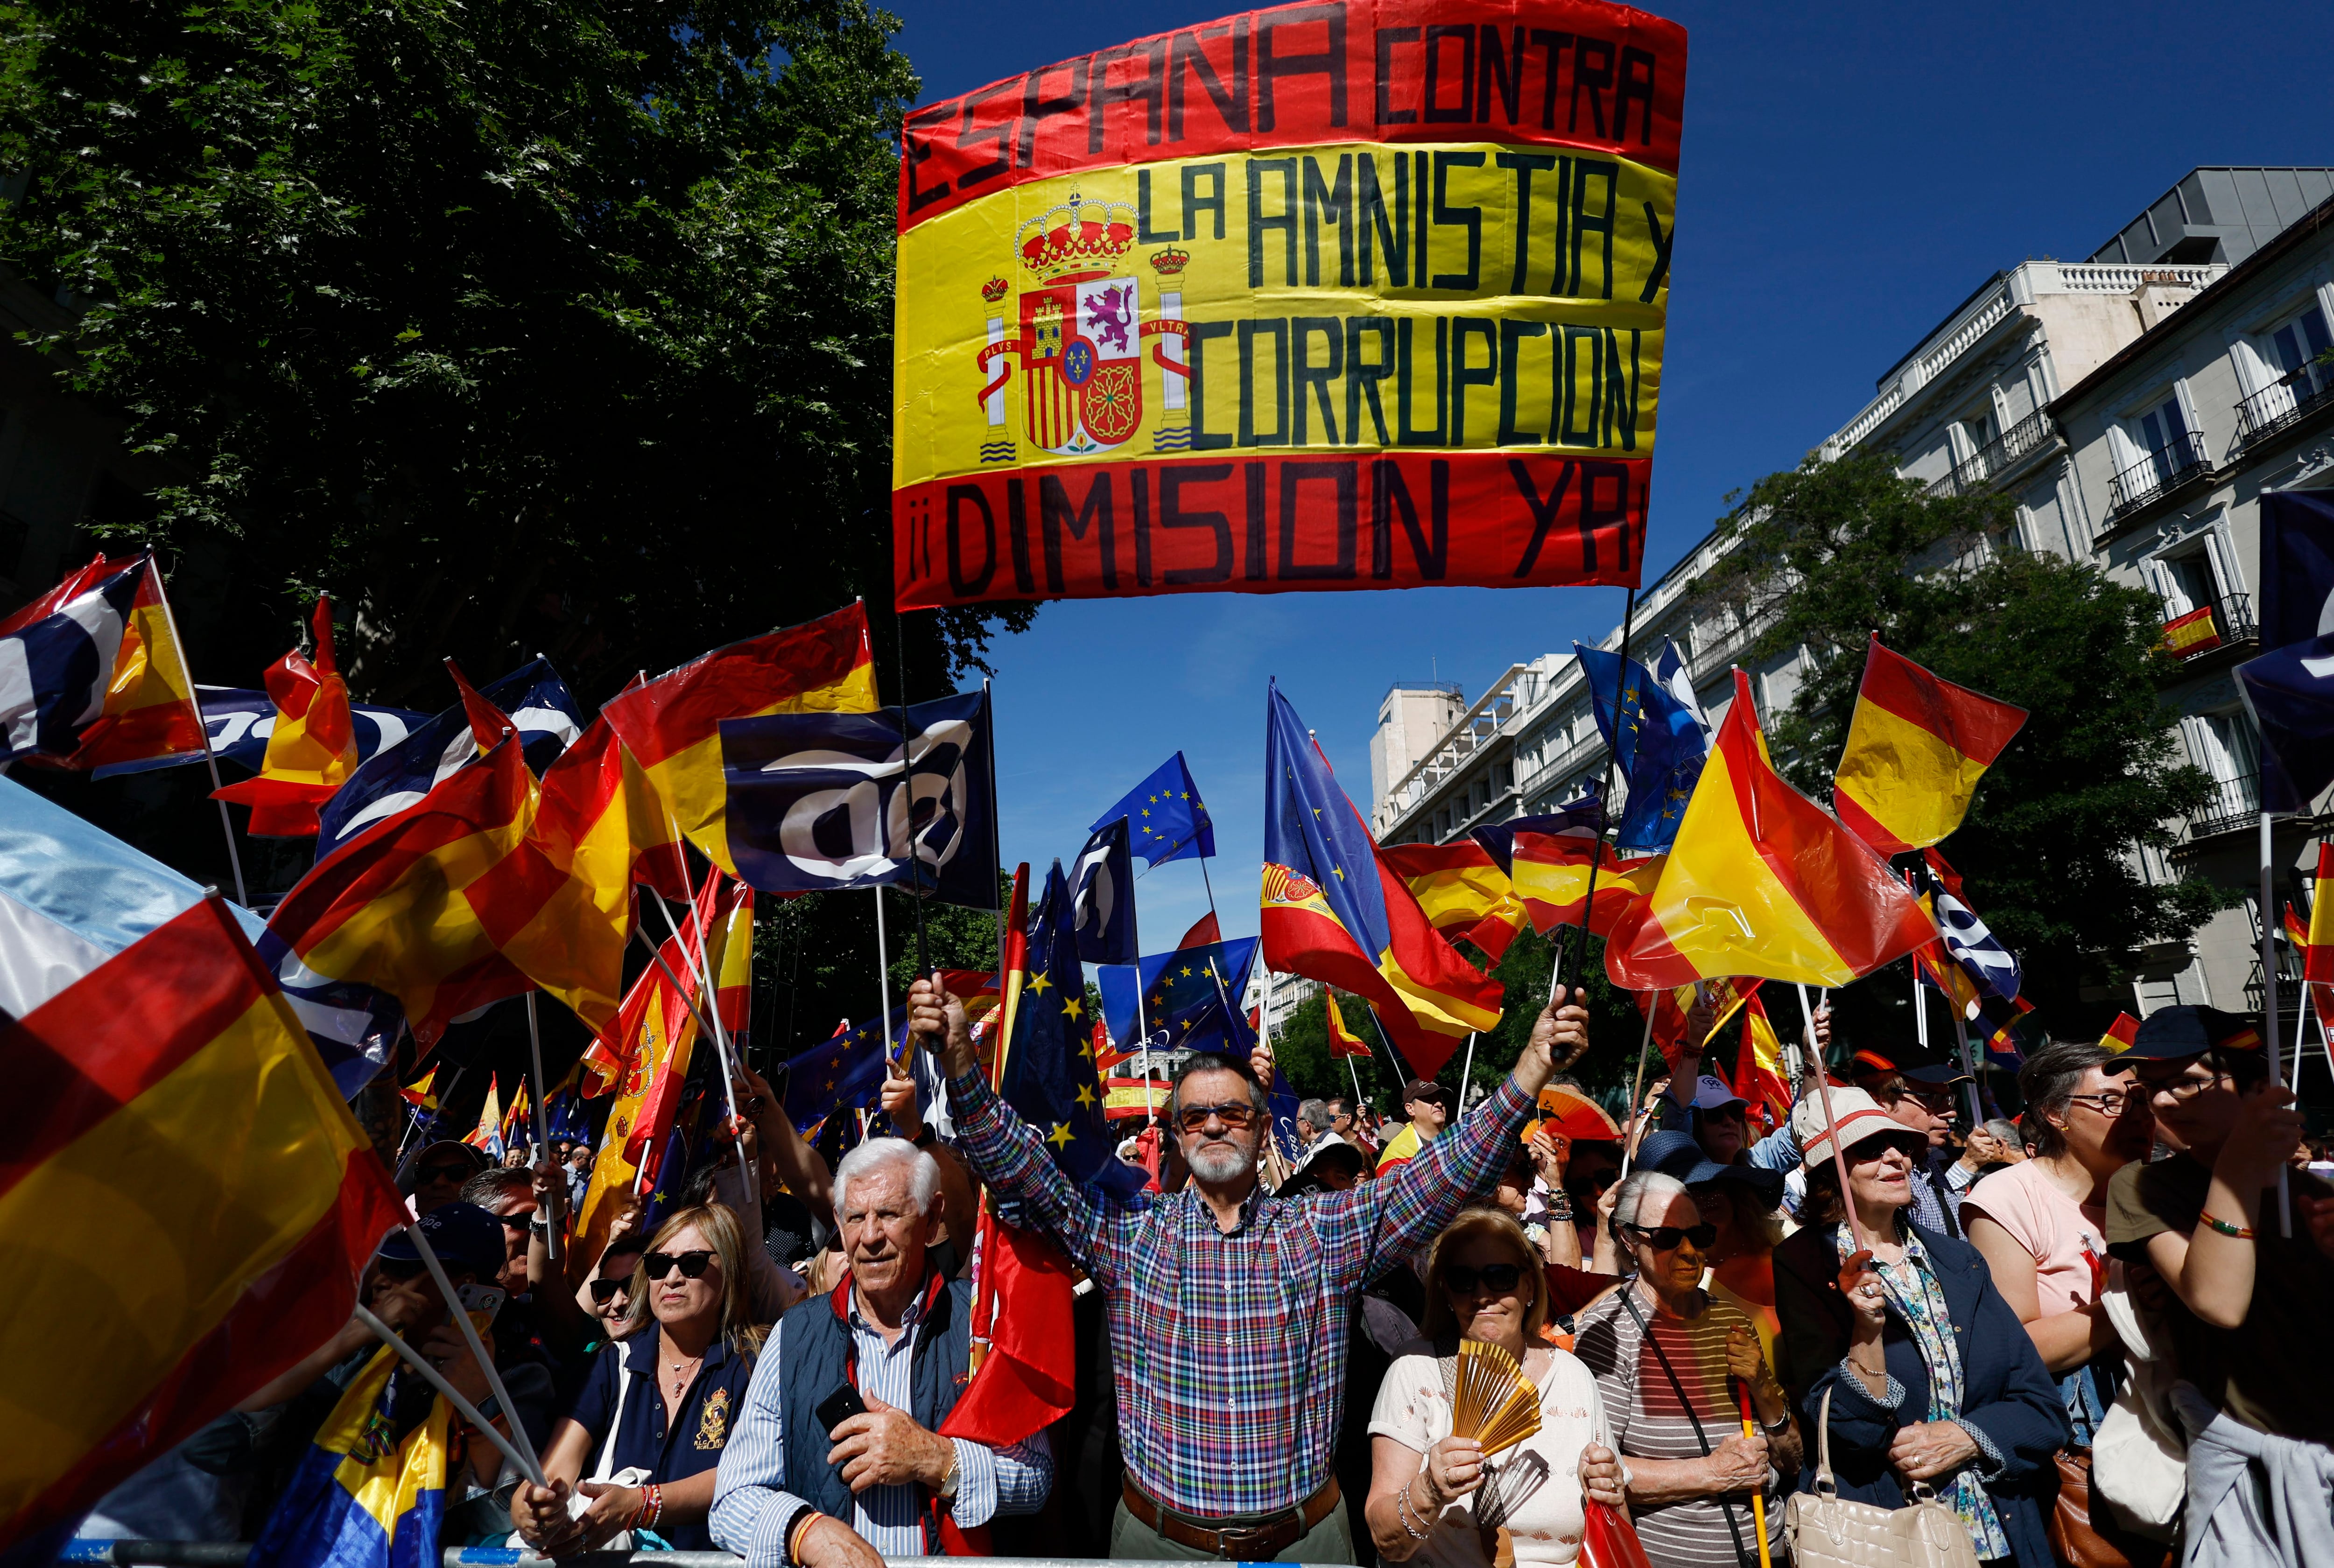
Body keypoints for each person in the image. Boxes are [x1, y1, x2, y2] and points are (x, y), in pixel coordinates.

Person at [911, 973, 1590, 1561]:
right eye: (1196, 1115)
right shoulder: (1131, 1234)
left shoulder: (1323, 1232)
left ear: (1263, 1129)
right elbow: (1028, 1177)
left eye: (1232, 1113)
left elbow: (1437, 1180)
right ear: (1175, 1134)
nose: (1213, 1126)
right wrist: (964, 1065)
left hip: (1306, 1543)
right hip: (1160, 1543)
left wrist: (1531, 1069)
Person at [710, 1137, 1052, 1566]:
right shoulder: (794, 1336)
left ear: (932, 1220)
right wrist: (805, 1532)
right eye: (855, 1218)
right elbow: (731, 1500)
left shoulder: (980, 1329)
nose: (869, 1236)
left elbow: (1036, 1476)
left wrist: (935, 1459)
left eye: (889, 1214)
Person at [1773, 1087, 2067, 1568]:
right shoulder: (1804, 1262)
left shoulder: (1959, 1258)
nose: (1895, 1158)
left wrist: (1966, 1436)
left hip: (2000, 1533)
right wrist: (1865, 1331)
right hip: (1889, 1533)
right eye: (1870, 1149)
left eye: (1901, 1147)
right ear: (1832, 1172)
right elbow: (1846, 1430)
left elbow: (2041, 1409)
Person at [2102, 1006, 2334, 1450]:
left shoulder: (2316, 1192)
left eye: (2189, 1083)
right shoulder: (2143, 1186)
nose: (2164, 1102)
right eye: (2151, 1088)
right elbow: (2218, 1302)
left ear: (2259, 1090)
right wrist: (2238, 1165)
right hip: (2249, 1447)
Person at [1365, 1209, 1624, 1566]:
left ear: (1530, 1285)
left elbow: (1619, 1522)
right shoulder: (1413, 1371)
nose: (1482, 1294)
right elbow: (1384, 1539)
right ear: (1445, 1290)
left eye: (1501, 1277)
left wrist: (1608, 1491)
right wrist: (1428, 1490)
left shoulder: (1573, 1377)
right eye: (1462, 1279)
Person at [509, 1204, 766, 1553]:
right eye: (659, 1265)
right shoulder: (610, 1363)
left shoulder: (758, 1362)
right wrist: (531, 1506)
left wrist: (643, 1504)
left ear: (732, 1271)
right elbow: (553, 1470)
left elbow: (744, 1472)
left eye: (692, 1263)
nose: (672, 1278)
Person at [1574, 1170, 1793, 1568]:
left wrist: (1763, 1387)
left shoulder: (1733, 1321)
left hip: (1768, 1552)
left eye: (1700, 1235)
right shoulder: (1609, 1333)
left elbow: (1790, 1457)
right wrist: (1712, 1473)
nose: (1691, 1251)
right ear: (1628, 1238)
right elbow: (1600, 1470)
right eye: (1668, 1238)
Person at [1961, 1038, 2155, 1446]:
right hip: (2089, 1430)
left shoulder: (2162, 1193)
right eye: (2111, 1101)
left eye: (2142, 1100)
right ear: (2055, 1114)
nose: (2137, 1117)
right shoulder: (2009, 1196)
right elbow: (2018, 1347)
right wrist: (2133, 1299)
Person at [1633, 1129, 1787, 1369]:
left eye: (1709, 1185)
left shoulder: (1786, 1250)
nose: (1703, 1201)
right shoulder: (1681, 1291)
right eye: (1686, 1197)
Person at [1378, 1078, 1455, 1174]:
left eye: (1440, 1099)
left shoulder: (1458, 1140)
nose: (1439, 1104)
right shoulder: (1396, 1156)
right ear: (1410, 1109)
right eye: (1430, 1100)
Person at [398, 1138, 491, 1216]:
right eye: (428, 1174)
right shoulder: (396, 1237)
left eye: (456, 1172)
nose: (439, 1182)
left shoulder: (499, 1236)